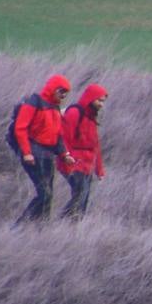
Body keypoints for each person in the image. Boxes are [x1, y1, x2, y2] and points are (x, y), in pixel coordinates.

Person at [11, 74, 75, 224]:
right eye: (61, 91)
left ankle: (42, 227)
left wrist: (64, 154)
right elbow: (20, 129)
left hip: (47, 155)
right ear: (53, 89)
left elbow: (57, 135)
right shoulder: (34, 103)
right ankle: (21, 226)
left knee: (48, 195)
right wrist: (27, 153)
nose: (64, 95)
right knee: (45, 194)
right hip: (33, 154)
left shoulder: (55, 108)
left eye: (66, 92)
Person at [59, 83, 108, 220]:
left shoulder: (91, 117)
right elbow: (65, 139)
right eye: (99, 100)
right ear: (91, 98)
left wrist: (99, 170)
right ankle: (64, 222)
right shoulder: (75, 113)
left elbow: (95, 147)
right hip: (75, 163)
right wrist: (67, 161)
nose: (101, 104)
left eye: (103, 101)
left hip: (87, 166)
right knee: (80, 195)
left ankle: (73, 226)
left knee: (83, 198)